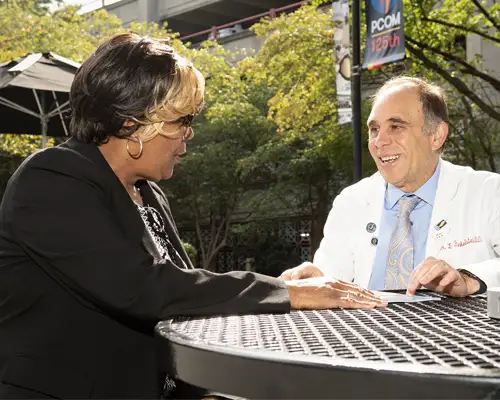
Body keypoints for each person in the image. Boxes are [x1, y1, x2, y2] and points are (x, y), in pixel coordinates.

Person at [0, 33, 386, 399]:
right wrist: (286, 294)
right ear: (132, 122)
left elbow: (183, 305)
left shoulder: (148, 192)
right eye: (181, 120)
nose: (189, 133)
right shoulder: (52, 178)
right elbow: (143, 288)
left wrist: (205, 391)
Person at [281, 76, 500, 298]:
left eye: (396, 126)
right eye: (374, 129)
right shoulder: (350, 202)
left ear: (436, 136)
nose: (379, 141)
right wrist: (315, 279)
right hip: (365, 331)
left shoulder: (489, 191)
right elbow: (332, 276)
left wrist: (469, 279)